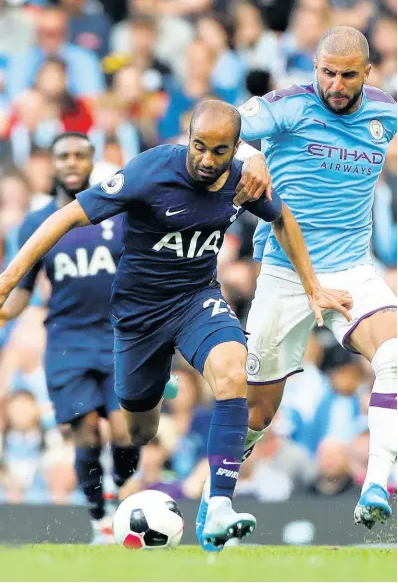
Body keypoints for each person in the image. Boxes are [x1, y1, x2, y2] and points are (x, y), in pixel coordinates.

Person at [0, 100, 351, 551]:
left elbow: (281, 217)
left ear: (234, 150)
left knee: (232, 369)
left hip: (195, 299)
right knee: (139, 432)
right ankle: (157, 382)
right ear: (188, 139)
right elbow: (67, 217)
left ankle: (220, 503)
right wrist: (9, 277)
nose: (207, 159)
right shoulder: (151, 171)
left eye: (219, 151)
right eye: (199, 147)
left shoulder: (246, 180)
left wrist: (312, 284)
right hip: (138, 316)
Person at [235, 26, 397, 530]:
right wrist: (251, 154)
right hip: (284, 273)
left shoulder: (385, 114)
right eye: (328, 72)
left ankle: (376, 485)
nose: (336, 83)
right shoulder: (286, 105)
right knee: (256, 415)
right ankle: (215, 493)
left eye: (348, 74)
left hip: (350, 268)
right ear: (316, 69)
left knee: (394, 356)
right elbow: (217, 128)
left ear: (366, 73)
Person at [0, 131, 177, 544]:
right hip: (67, 341)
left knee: (123, 429)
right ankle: (99, 516)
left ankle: (122, 494)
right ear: (53, 164)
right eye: (64, 156)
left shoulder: (119, 215)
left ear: (92, 160)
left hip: (119, 337)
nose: (72, 163)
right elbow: (21, 296)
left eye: (80, 155)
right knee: (86, 433)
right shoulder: (35, 222)